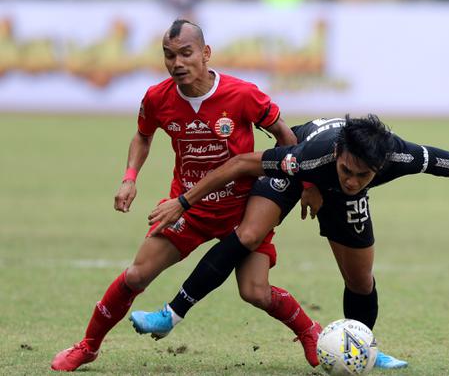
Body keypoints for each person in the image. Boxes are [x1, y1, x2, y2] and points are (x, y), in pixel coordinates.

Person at [134, 115, 449, 369]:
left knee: (360, 277)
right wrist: (184, 202)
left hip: (323, 187)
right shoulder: (309, 157)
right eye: (348, 170)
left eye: (363, 176)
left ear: (380, 167)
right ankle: (171, 313)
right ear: (339, 155)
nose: (353, 180)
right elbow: (239, 165)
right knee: (250, 233)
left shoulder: (401, 155)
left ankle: (362, 349)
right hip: (303, 177)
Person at [50, 19, 321, 371]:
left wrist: (307, 186)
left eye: (185, 53)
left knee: (255, 291)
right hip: (187, 211)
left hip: (242, 211)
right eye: (169, 55)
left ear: (205, 54)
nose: (177, 63)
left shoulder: (243, 94)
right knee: (135, 276)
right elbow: (143, 135)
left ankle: (309, 331)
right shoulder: (157, 98)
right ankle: (87, 346)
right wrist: (130, 177)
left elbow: (286, 138)